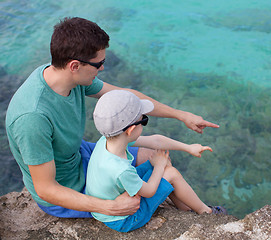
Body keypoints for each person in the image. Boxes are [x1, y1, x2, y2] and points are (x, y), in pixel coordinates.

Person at [5, 17, 219, 218]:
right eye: (98, 64)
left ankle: (187, 212)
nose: (103, 67)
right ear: (74, 66)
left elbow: (128, 98)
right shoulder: (33, 118)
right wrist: (109, 207)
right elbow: (46, 189)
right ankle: (200, 213)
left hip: (80, 155)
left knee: (155, 155)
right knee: (152, 181)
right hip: (67, 188)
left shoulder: (66, 77)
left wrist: (182, 115)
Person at [86, 90, 227, 232]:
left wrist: (189, 148)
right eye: (144, 120)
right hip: (124, 219)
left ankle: (185, 207)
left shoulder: (107, 140)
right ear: (131, 130)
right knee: (169, 172)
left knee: (164, 163)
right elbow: (149, 191)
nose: (145, 123)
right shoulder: (120, 169)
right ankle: (206, 212)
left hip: (113, 196)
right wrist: (159, 166)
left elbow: (155, 141)